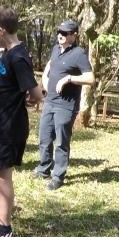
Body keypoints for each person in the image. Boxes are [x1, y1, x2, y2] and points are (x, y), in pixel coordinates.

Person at [0, 6, 43, 237]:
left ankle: (5, 228)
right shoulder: (8, 53)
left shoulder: (18, 57)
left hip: (10, 125)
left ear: (2, 31)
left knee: (4, 173)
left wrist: (28, 98)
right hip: (0, 122)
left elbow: (37, 93)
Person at [34, 19, 94, 190]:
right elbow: (50, 66)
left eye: (65, 33)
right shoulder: (55, 49)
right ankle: (44, 168)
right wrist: (45, 80)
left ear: (74, 36)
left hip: (66, 105)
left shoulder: (79, 54)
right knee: (44, 137)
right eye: (59, 32)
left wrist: (69, 78)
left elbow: (90, 78)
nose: (60, 35)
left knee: (61, 142)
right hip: (50, 101)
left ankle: (58, 177)